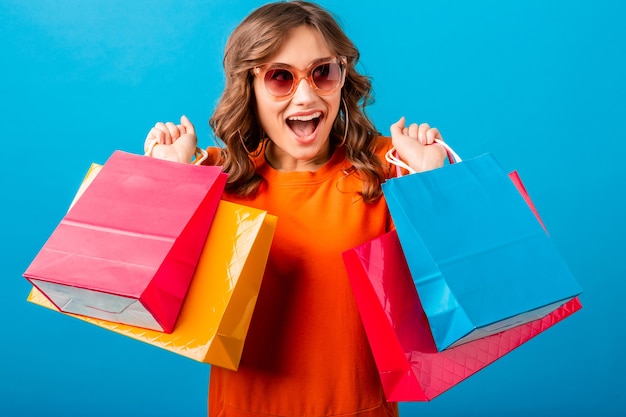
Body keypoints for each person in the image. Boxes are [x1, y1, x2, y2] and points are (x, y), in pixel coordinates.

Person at [145, 1, 446, 416]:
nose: (306, 96)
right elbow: (156, 299)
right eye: (280, 78)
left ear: (343, 78)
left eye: (323, 72)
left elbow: (446, 293)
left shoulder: (391, 167)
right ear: (248, 86)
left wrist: (428, 181)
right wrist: (170, 179)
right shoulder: (217, 177)